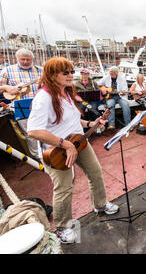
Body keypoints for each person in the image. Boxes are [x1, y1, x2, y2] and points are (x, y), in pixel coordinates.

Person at [27, 57, 119, 244]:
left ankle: (100, 205)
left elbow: (72, 120)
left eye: (71, 72)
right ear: (52, 75)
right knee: (64, 188)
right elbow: (34, 130)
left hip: (79, 142)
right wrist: (65, 144)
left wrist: (91, 124)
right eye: (65, 72)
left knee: (95, 172)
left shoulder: (66, 92)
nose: (71, 75)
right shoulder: (44, 98)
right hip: (57, 151)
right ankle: (62, 227)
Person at [0, 48, 43, 159]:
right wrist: (7, 87)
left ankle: (49, 152)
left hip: (40, 104)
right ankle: (38, 157)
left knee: (44, 129)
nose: (25, 62)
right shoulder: (7, 70)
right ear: (17, 58)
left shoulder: (39, 70)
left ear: (32, 59)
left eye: (28, 59)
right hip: (21, 106)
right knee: (30, 132)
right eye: (22, 59)